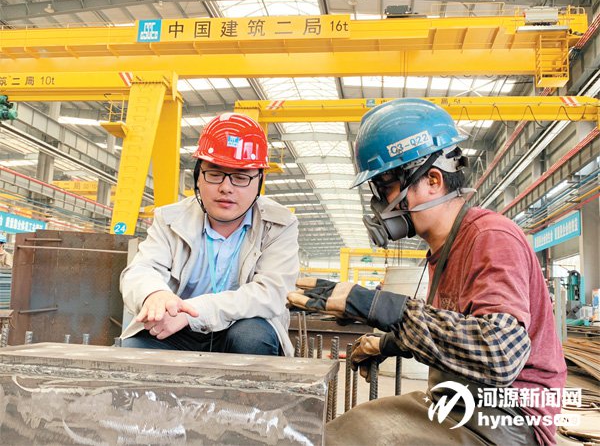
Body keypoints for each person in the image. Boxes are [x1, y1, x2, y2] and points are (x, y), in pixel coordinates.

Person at [288, 99, 566, 445]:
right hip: (457, 403)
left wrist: (380, 307)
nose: (379, 205)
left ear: (433, 179)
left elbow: (500, 353)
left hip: (508, 420)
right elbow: (458, 330)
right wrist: (388, 342)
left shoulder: (490, 237)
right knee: (340, 431)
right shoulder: (444, 248)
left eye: (386, 187)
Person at [121, 113, 300, 356]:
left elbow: (271, 293)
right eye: (215, 174)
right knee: (132, 351)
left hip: (239, 325)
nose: (226, 187)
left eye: (240, 177)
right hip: (176, 327)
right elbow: (141, 270)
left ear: (259, 181)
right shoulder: (170, 219)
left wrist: (194, 312)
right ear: (198, 177)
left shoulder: (279, 225)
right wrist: (155, 293)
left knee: (252, 339)